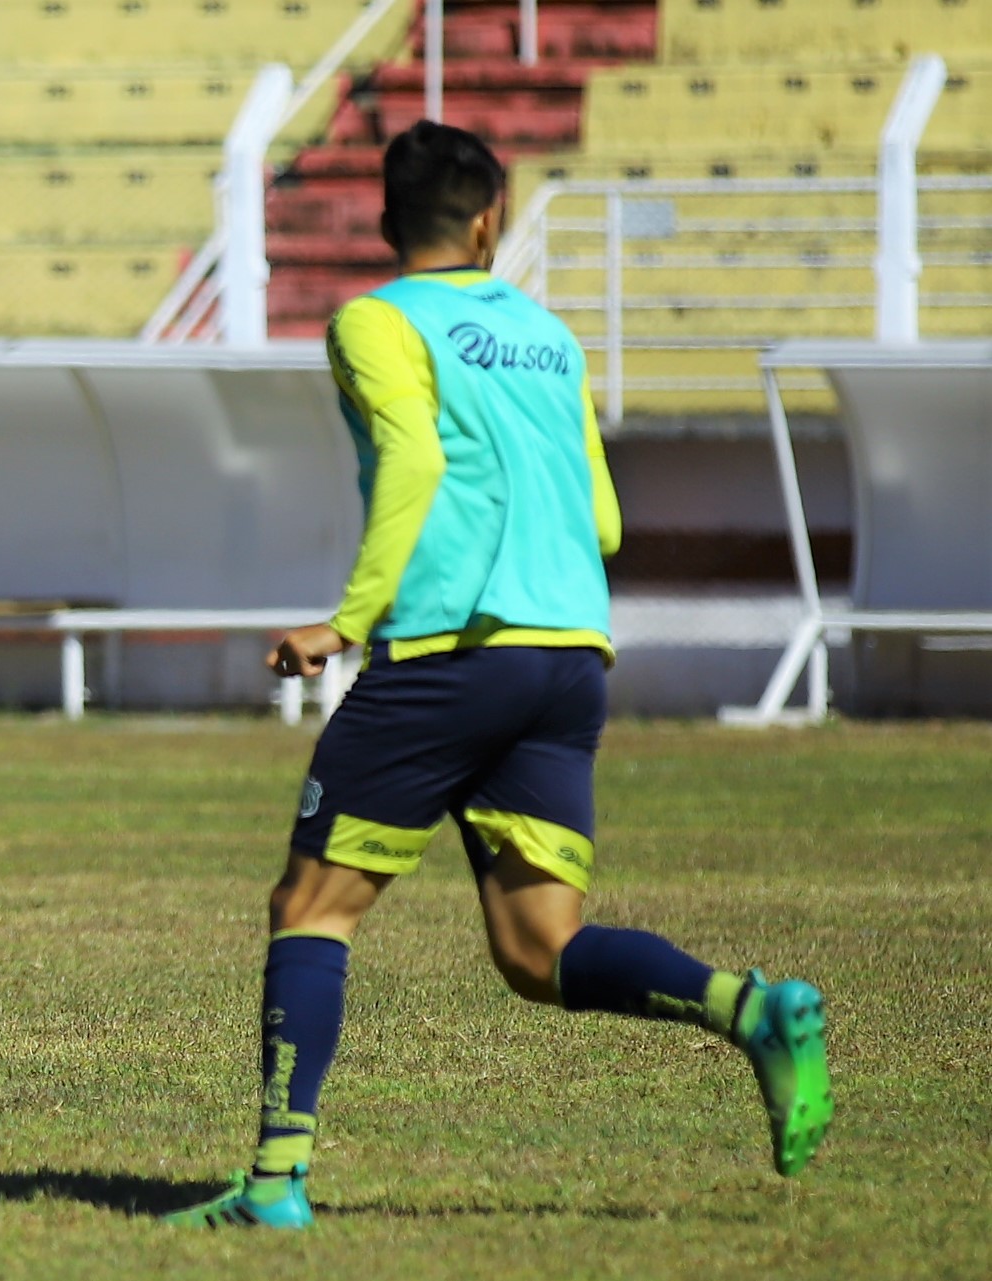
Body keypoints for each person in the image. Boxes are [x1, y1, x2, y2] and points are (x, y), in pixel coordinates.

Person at [164, 123, 832, 1229]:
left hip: (449, 653)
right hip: (568, 653)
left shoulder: (373, 321)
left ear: (387, 225)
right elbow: (602, 514)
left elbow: (418, 459)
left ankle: (276, 1185)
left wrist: (346, 623)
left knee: (311, 910)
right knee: (537, 948)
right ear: (494, 217)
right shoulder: (550, 335)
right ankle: (749, 1009)